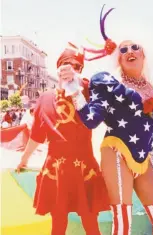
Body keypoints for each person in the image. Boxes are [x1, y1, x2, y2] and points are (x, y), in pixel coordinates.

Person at [61, 5, 153, 235]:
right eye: (123, 49)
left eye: (135, 47)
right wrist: (73, 88)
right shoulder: (110, 84)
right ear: (118, 57)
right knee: (123, 224)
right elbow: (91, 120)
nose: (129, 50)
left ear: (144, 54)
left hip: (143, 158)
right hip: (116, 152)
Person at [16, 42, 109, 235]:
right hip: (57, 170)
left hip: (84, 167)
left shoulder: (88, 92)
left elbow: (106, 94)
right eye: (66, 65)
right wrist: (24, 160)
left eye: (77, 67)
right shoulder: (45, 98)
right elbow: (36, 136)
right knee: (58, 224)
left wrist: (77, 82)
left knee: (90, 221)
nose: (71, 69)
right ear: (58, 69)